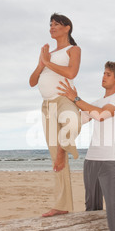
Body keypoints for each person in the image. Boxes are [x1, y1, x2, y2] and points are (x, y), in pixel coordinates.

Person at [57, 62, 115, 231]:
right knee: (92, 209)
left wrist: (77, 99)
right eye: (103, 73)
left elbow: (100, 115)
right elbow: (78, 120)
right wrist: (62, 107)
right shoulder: (98, 101)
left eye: (108, 74)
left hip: (111, 162)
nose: (103, 76)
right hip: (91, 161)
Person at [29, 13, 81, 218]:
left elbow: (71, 73)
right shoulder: (47, 54)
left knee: (74, 122)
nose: (51, 27)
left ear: (67, 28)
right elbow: (32, 81)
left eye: (56, 24)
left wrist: (47, 62)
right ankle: (62, 205)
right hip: (47, 106)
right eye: (50, 24)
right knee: (57, 162)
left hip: (63, 99)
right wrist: (42, 62)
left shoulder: (73, 49)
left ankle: (63, 148)